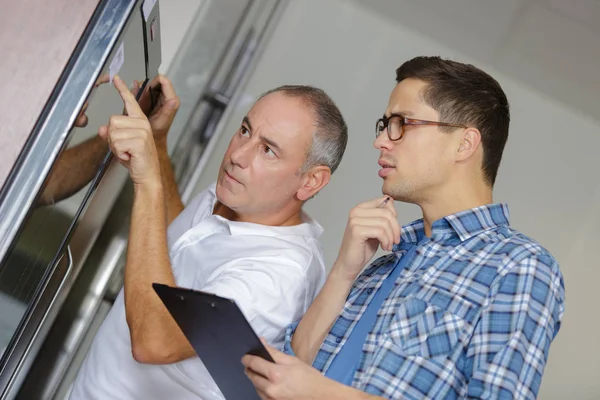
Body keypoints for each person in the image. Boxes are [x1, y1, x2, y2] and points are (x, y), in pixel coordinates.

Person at [242, 56, 565, 400]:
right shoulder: (386, 257)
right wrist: (344, 272)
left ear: (464, 144)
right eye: (384, 125)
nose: (381, 141)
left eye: (401, 123)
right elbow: (294, 370)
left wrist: (323, 394)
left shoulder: (519, 266)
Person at [69, 74, 348, 399]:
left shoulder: (279, 275)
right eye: (245, 130)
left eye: (268, 150)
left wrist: (147, 181)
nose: (238, 155)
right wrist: (157, 141)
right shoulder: (240, 194)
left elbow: (154, 343)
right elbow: (178, 243)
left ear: (311, 181)